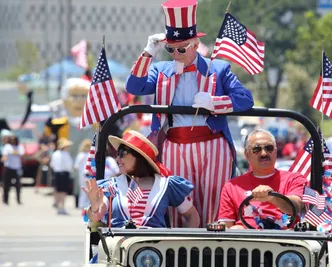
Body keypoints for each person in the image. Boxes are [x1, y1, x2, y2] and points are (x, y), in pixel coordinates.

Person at [125, 0, 254, 227]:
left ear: (195, 44)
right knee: (179, 202)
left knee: (215, 206)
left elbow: (245, 99)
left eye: (181, 48)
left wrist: (215, 103)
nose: (175, 54)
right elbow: (134, 87)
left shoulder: (218, 68)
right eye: (170, 49)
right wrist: (148, 53)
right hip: (175, 144)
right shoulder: (160, 69)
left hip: (212, 143)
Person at [82, 130, 200, 228]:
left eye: (122, 153)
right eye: (117, 154)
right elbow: (96, 216)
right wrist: (95, 207)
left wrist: (180, 247)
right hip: (119, 248)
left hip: (157, 249)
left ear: (140, 157)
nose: (117, 159)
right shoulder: (111, 186)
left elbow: (192, 216)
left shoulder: (166, 185)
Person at [217, 129, 307, 229]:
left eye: (269, 148)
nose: (264, 153)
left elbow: (296, 206)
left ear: (276, 152)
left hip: (285, 239)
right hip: (245, 240)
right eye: (256, 149)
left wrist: (273, 198)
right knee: (235, 229)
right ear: (247, 155)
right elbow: (225, 228)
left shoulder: (294, 179)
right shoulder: (231, 187)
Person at [50, 138, 74, 214]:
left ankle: (58, 205)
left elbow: (52, 165)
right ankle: (62, 207)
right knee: (63, 192)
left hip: (56, 173)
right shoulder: (66, 154)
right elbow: (69, 165)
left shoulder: (55, 153)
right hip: (64, 174)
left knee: (57, 190)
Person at [2, 136, 24, 205]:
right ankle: (6, 200)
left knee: (18, 186)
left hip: (17, 168)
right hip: (8, 168)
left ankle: (18, 200)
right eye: (11, 140)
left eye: (14, 140)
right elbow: (4, 156)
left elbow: (22, 154)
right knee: (6, 185)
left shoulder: (19, 147)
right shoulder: (7, 147)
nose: (12, 141)